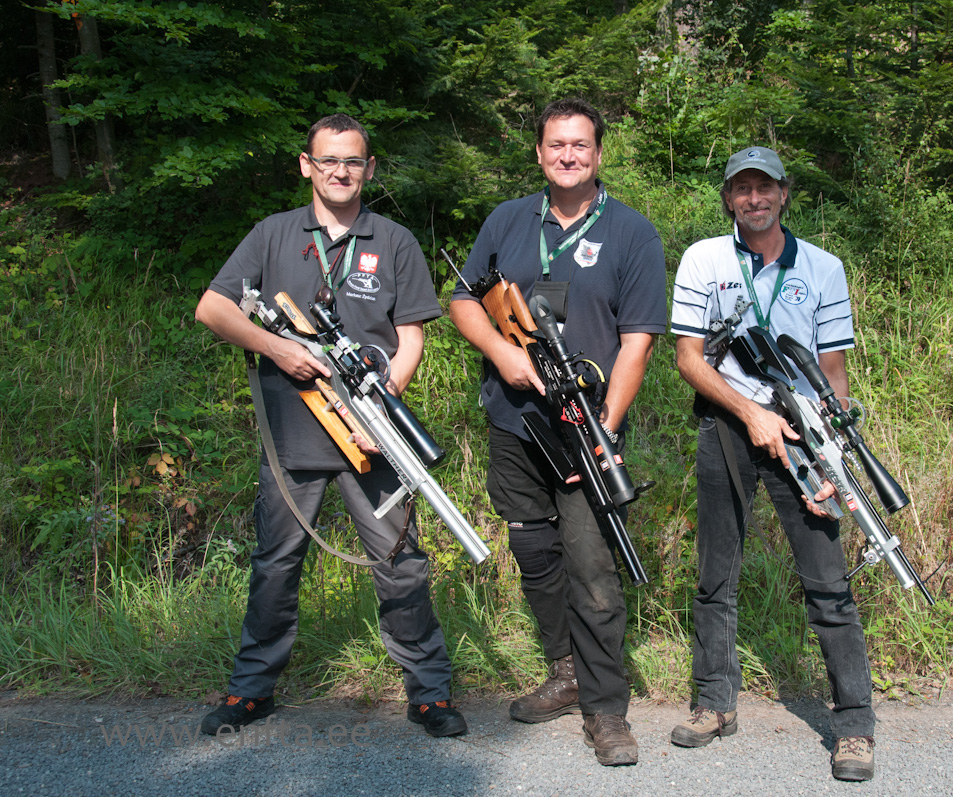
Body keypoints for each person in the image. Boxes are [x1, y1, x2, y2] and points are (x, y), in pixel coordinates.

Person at [194, 113, 467, 739]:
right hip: (293, 433)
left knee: (402, 564)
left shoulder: (393, 240)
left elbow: (411, 335)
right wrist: (278, 349)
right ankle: (250, 691)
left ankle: (428, 693)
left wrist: (382, 402)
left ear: (369, 169)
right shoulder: (272, 234)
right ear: (306, 165)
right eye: (328, 161)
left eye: (352, 162)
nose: (340, 172)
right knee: (275, 563)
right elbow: (214, 308)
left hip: (373, 436)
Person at [448, 98, 666, 766]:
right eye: (556, 145)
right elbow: (461, 299)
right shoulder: (509, 219)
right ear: (538, 153)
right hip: (513, 423)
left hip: (584, 423)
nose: (568, 155)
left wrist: (603, 427)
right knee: (535, 549)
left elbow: (639, 341)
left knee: (594, 564)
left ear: (598, 154)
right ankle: (565, 669)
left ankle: (606, 709)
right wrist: (504, 353)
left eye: (581, 145)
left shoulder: (632, 233)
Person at [668, 146, 876, 781]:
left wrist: (829, 455)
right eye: (742, 190)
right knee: (715, 573)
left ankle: (854, 725)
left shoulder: (823, 268)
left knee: (827, 578)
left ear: (785, 193)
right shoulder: (704, 258)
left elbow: (833, 371)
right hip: (727, 426)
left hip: (804, 432)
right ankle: (713, 703)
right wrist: (751, 414)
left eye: (765, 188)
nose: (754, 199)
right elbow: (689, 358)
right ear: (729, 198)